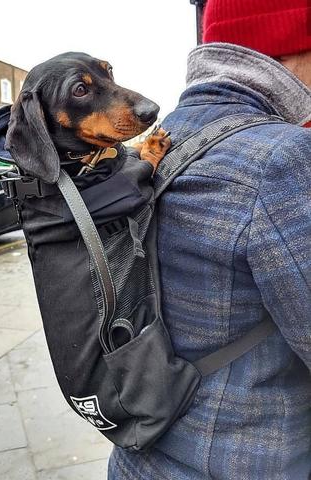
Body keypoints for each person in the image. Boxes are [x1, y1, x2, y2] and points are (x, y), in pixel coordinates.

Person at [108, 0, 311, 478]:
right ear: (289, 47)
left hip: (140, 456)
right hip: (245, 462)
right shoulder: (283, 156)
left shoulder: (153, 144)